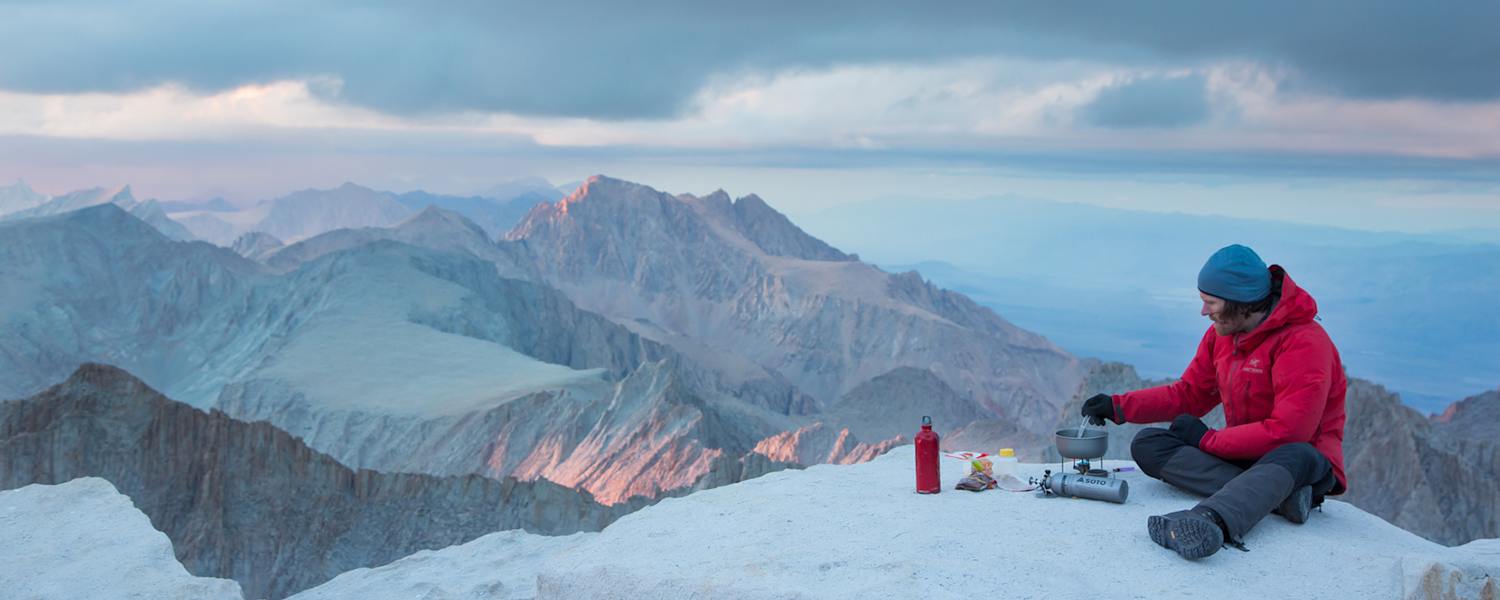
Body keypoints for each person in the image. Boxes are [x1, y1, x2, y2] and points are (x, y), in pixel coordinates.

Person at [1080, 244, 1346, 560]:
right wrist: (1118, 406)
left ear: (1240, 304)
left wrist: (1208, 440)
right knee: (1149, 444)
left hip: (1298, 465)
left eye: (1211, 303)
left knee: (1298, 453)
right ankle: (1282, 500)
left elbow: (1290, 432)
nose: (1203, 312)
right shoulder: (1221, 336)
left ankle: (1210, 519)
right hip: (1247, 458)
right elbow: (1189, 394)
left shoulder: (1303, 343)